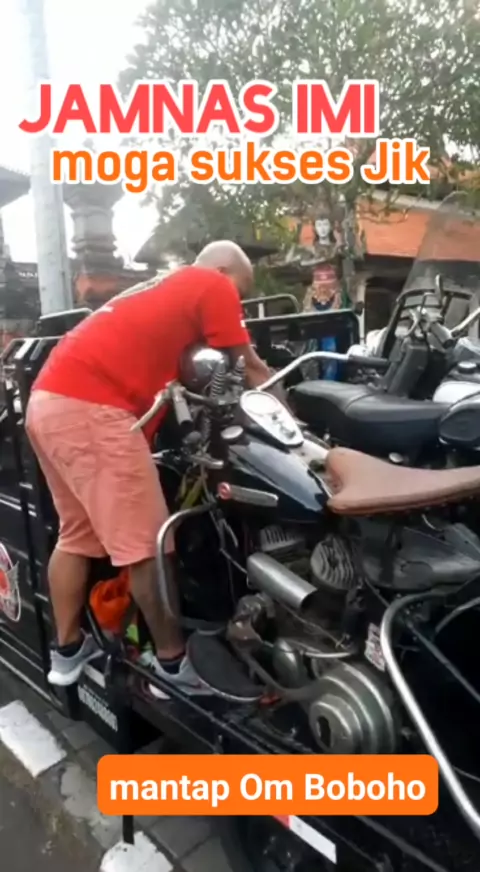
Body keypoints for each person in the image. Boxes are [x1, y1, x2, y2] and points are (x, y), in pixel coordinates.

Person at [25, 241, 273, 693]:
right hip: (93, 408)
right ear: (222, 270)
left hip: (48, 402)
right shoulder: (211, 282)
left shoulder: (155, 290)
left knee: (76, 535)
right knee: (148, 547)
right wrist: (299, 422)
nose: (236, 300)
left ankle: (68, 650)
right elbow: (251, 367)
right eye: (240, 290)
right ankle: (172, 665)